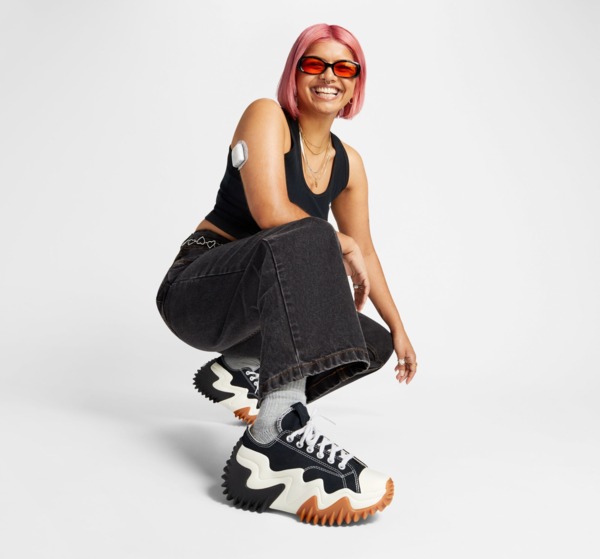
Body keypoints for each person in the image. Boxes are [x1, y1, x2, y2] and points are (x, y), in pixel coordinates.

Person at [156, 23, 418, 526]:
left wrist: (399, 327)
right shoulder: (267, 117)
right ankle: (271, 441)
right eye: (314, 64)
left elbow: (365, 248)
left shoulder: (349, 164)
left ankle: (241, 370)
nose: (329, 76)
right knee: (309, 234)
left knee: (370, 344)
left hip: (256, 311)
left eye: (344, 68)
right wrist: (336, 242)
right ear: (294, 75)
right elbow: (271, 211)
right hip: (197, 292)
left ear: (356, 83)